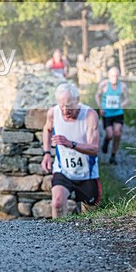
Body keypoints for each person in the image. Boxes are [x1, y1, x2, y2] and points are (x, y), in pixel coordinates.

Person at [41, 83, 101, 218]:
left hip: (87, 173)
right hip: (63, 171)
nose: (64, 110)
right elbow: (47, 129)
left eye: (68, 106)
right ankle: (58, 235)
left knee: (90, 215)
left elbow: (94, 148)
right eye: (61, 105)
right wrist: (46, 153)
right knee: (57, 203)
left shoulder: (89, 115)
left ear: (77, 100)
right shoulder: (53, 113)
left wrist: (71, 144)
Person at [94, 66, 129, 165]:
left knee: (117, 133)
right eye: (113, 76)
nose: (115, 78)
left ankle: (113, 156)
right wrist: (100, 107)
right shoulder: (104, 85)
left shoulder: (122, 86)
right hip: (107, 113)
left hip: (118, 113)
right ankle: (106, 140)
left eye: (117, 76)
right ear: (109, 76)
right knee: (110, 134)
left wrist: (123, 104)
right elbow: (97, 95)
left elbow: (127, 99)